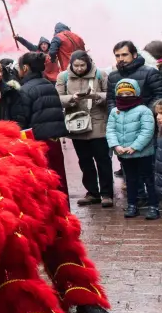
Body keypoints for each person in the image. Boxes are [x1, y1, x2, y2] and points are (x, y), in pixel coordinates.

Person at [56, 51, 112, 207]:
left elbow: (110, 95)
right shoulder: (63, 77)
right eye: (76, 66)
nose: (79, 69)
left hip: (98, 124)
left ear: (88, 63)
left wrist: (95, 96)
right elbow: (57, 98)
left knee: (103, 160)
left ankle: (107, 194)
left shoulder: (100, 74)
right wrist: (71, 98)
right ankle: (92, 193)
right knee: (85, 161)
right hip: (77, 125)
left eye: (83, 65)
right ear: (71, 64)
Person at [11, 52, 69, 196]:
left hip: (36, 144)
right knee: (57, 178)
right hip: (54, 142)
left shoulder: (24, 90)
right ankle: (63, 214)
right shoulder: (49, 85)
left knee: (42, 183)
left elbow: (20, 121)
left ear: (25, 68)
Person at [106, 80, 158, 220]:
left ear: (135, 93)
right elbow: (110, 130)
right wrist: (116, 145)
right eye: (121, 94)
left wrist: (135, 146)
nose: (124, 96)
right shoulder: (114, 111)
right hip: (124, 153)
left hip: (142, 153)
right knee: (130, 179)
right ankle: (132, 205)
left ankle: (153, 205)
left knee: (148, 179)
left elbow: (147, 131)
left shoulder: (144, 110)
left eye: (128, 93)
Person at [108, 41, 162, 111]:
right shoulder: (112, 76)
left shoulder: (151, 72)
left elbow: (159, 96)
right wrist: (116, 115)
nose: (120, 59)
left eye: (124, 55)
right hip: (120, 120)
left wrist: (146, 114)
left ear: (134, 55)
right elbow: (110, 100)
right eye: (117, 56)